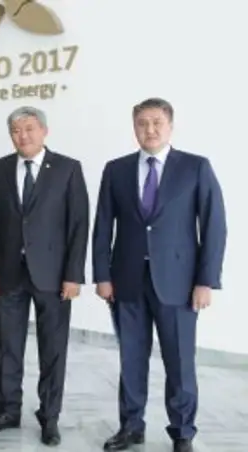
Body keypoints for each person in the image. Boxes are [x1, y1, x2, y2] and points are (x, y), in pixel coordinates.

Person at [93, 98, 226, 452]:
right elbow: (102, 225)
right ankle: (131, 427)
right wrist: (102, 275)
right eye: (142, 123)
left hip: (179, 284)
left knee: (179, 363)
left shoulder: (195, 167)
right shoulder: (116, 169)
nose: (149, 130)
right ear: (134, 127)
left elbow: (214, 226)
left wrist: (205, 281)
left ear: (170, 126)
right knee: (131, 360)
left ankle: (182, 432)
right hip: (127, 281)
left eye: (156, 123)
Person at [0, 106, 89, 446]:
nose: (22, 135)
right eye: (16, 130)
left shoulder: (68, 169)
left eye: (29, 128)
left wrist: (73, 275)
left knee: (52, 349)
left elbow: (79, 225)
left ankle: (49, 416)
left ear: (44, 131)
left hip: (54, 276)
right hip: (9, 273)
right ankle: (8, 410)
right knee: (8, 346)